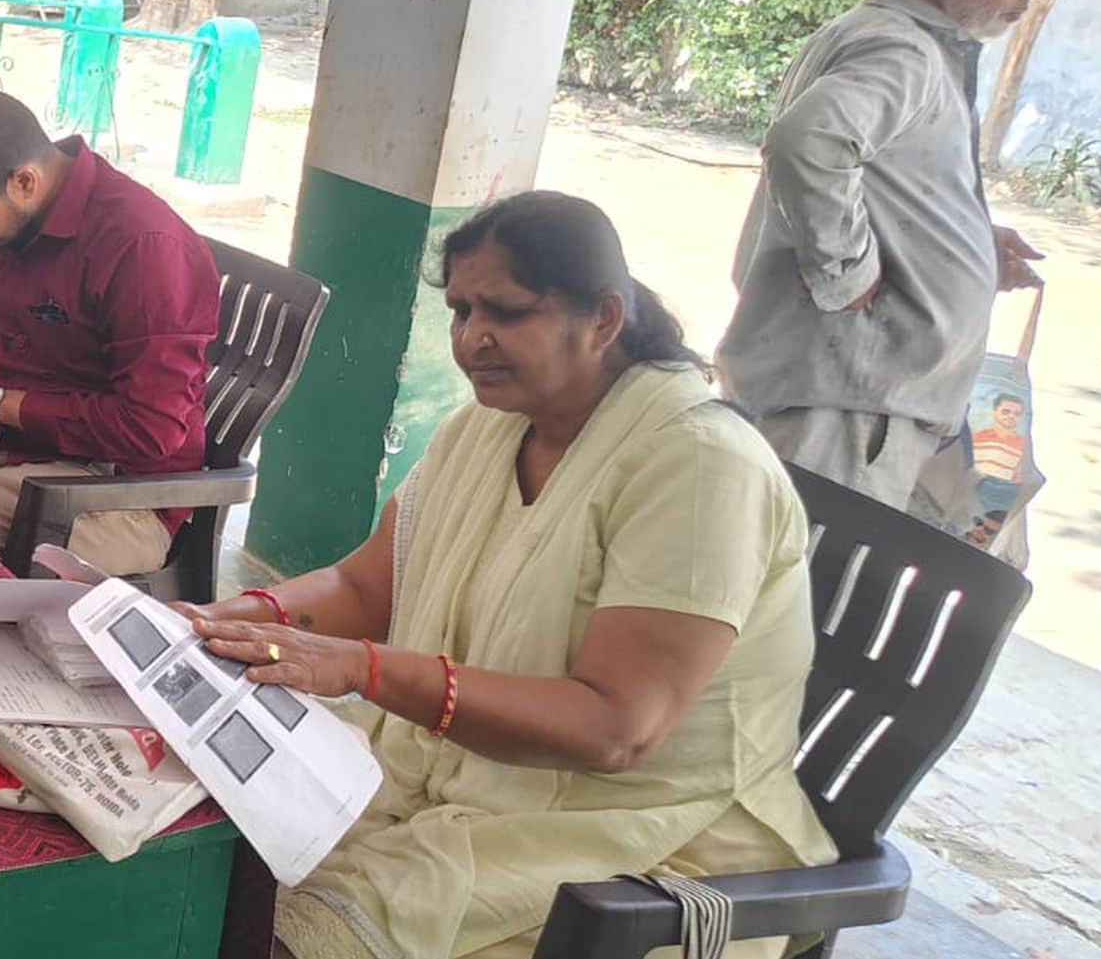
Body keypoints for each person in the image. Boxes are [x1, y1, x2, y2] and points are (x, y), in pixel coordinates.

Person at [186, 191, 837, 959]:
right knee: (195, 866)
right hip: (450, 782)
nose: (472, 339)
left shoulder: (699, 465)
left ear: (604, 317)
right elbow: (366, 587)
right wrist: (236, 617)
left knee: (272, 936)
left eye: (506, 311)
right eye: (460, 310)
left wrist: (364, 668)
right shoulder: (486, 427)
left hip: (625, 836)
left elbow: (614, 729)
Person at [717, 0, 1049, 508]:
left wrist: (973, 243)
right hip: (842, 413)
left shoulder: (877, 36)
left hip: (846, 404)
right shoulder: (902, 51)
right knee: (801, 602)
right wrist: (848, 276)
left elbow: (885, 184)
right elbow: (808, 144)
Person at [0, 90, 217, 576]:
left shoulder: (141, 246)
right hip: (19, 456)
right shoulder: (6, 226)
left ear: (24, 181)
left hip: (119, 492)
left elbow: (150, 427)